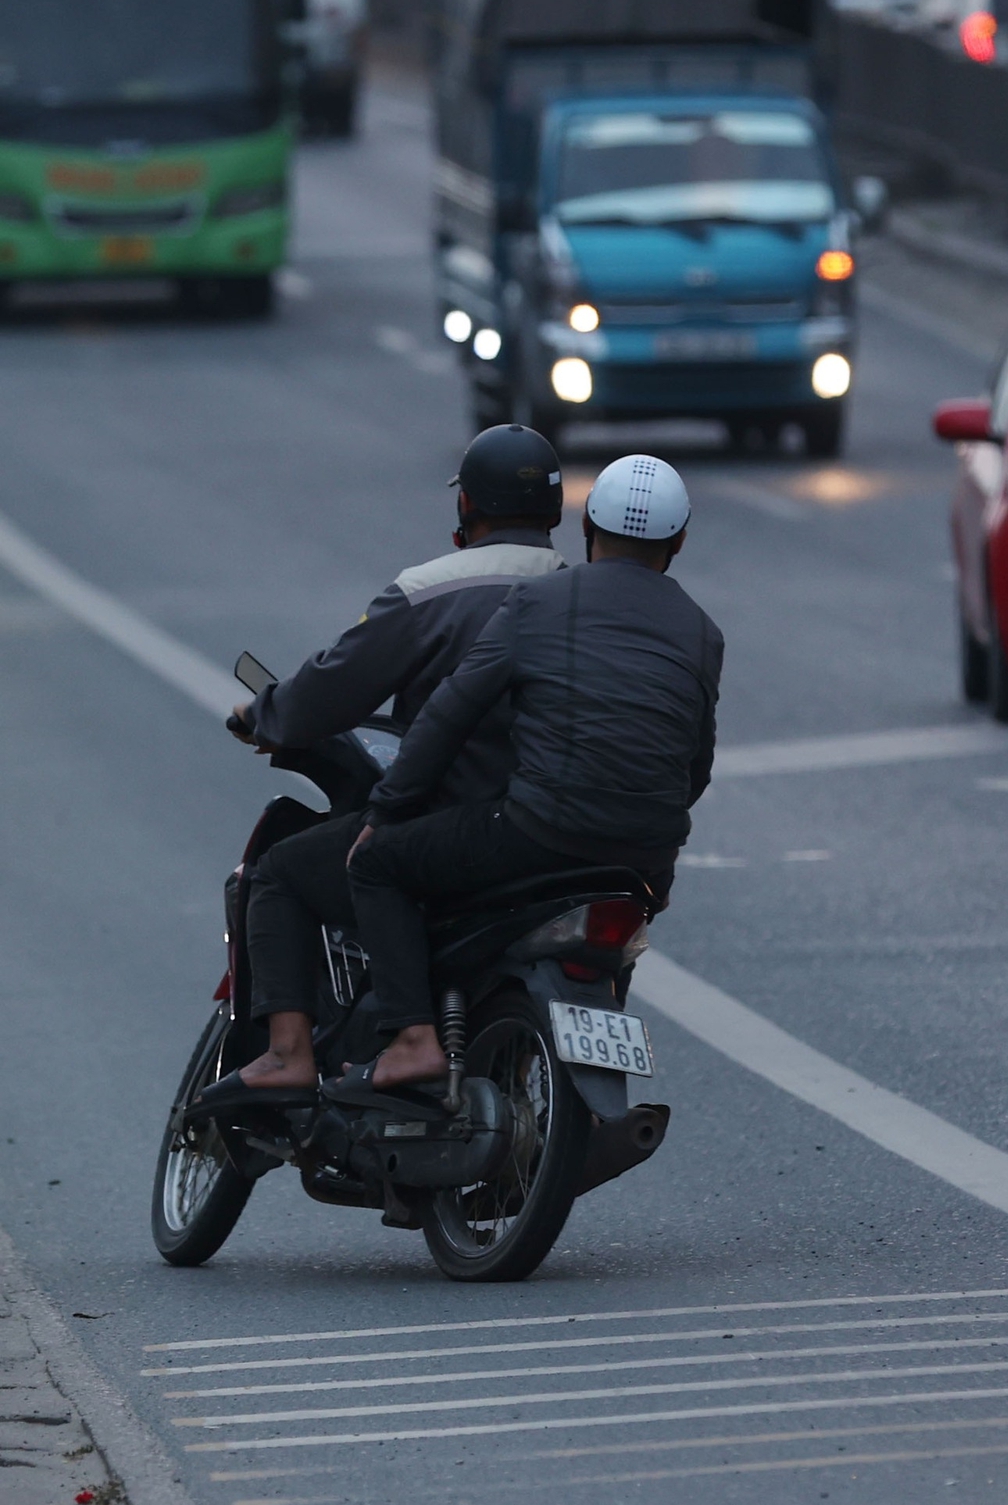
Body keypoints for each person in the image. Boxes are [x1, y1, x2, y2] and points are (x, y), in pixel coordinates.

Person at [344, 453, 722, 1093]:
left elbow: (449, 714)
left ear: (587, 527)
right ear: (679, 541)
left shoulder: (540, 600)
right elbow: (696, 764)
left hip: (539, 833)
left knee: (377, 866)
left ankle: (411, 1038)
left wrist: (387, 812)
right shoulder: (701, 633)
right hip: (649, 862)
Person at [217, 427, 566, 1099]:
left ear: (466, 507)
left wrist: (264, 715)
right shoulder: (575, 593)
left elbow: (330, 685)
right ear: (554, 513)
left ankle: (291, 1053)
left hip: (458, 831)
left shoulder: (429, 591)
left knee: (285, 872)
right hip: (555, 831)